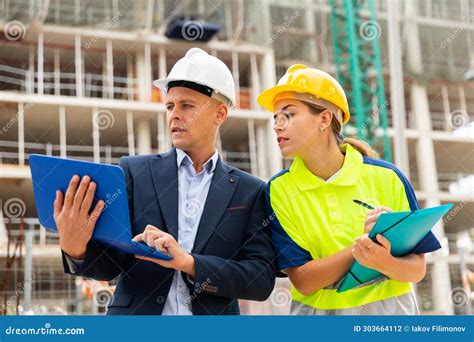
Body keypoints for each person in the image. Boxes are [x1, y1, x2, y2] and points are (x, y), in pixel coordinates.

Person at [55, 48, 276, 315]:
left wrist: (190, 263)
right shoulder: (134, 172)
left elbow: (260, 280)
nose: (174, 115)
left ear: (220, 114)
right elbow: (111, 265)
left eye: (187, 106)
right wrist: (75, 248)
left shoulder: (249, 190)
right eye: (170, 106)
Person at [258, 64, 441, 315]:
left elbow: (417, 269)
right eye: (275, 117)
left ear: (324, 118)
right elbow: (303, 280)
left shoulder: (387, 177)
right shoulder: (278, 190)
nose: (278, 125)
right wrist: (365, 248)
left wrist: (384, 260)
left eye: (288, 115)